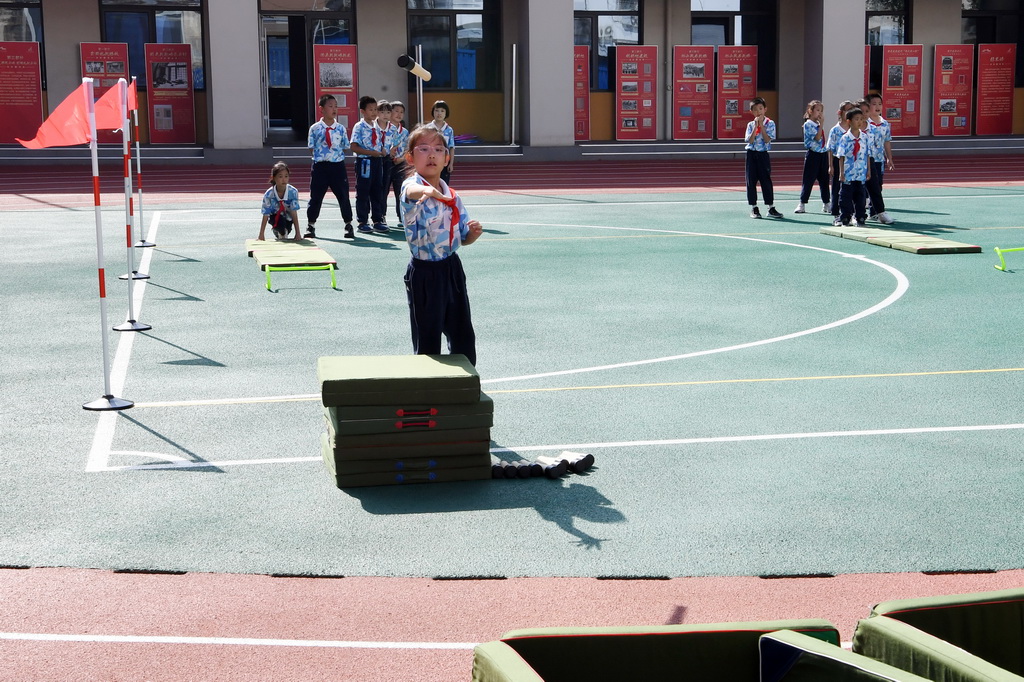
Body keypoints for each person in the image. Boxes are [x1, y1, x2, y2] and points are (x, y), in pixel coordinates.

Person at [400, 125, 483, 366]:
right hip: (424, 273)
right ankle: (429, 393)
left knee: (463, 334)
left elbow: (463, 237)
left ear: (447, 158)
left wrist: (472, 235)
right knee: (427, 340)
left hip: (451, 269)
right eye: (423, 149)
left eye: (438, 149)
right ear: (410, 157)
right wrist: (427, 189)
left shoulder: (452, 196)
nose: (432, 154)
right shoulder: (412, 187)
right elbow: (411, 191)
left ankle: (465, 385)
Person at [305, 94, 353, 239]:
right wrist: (322, 155)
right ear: (322, 109)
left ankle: (348, 225)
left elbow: (345, 146)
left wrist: (334, 154)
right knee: (316, 197)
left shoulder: (340, 129)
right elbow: (311, 147)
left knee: (343, 196)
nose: (334, 109)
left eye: (336, 106)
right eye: (330, 106)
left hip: (337, 166)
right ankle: (311, 225)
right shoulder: (315, 128)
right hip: (320, 167)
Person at [349, 95, 388, 234]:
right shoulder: (359, 126)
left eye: (375, 109)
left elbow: (378, 143)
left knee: (377, 190)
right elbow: (353, 146)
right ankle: (362, 221)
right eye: (370, 109)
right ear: (362, 111)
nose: (374, 112)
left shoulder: (376, 126)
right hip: (365, 161)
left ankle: (377, 220)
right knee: (364, 191)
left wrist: (382, 150)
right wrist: (371, 153)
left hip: (377, 161)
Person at [744, 97, 782, 219]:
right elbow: (749, 140)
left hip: (763, 154)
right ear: (752, 112)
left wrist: (762, 126)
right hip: (751, 154)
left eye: (760, 108)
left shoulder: (770, 123)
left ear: (765, 109)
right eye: (755, 110)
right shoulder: (750, 125)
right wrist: (756, 126)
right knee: (751, 181)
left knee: (766, 181)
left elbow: (767, 139)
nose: (758, 112)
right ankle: (754, 207)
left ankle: (770, 207)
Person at [834, 107, 872, 227]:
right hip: (848, 174)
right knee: (845, 196)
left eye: (861, 119)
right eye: (856, 119)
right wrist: (841, 172)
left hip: (860, 173)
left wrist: (868, 170)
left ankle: (860, 217)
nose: (860, 121)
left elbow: (867, 155)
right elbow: (841, 156)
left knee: (860, 197)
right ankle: (845, 217)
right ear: (849, 121)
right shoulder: (845, 138)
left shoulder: (865, 137)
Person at [864, 93, 895, 224]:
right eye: (874, 104)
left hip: (879, 160)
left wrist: (889, 158)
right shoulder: (864, 123)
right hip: (866, 160)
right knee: (864, 187)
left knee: (878, 186)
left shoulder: (885, 124)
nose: (877, 107)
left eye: (880, 104)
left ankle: (874, 212)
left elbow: (887, 141)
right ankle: (858, 211)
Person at [795, 99, 831, 215]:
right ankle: (802, 203)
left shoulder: (817, 124)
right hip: (813, 155)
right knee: (808, 180)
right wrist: (822, 126)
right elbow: (817, 138)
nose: (820, 113)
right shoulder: (809, 124)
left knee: (824, 180)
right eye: (817, 110)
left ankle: (826, 203)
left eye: (821, 110)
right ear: (811, 111)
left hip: (822, 154)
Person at [826, 100, 855, 227]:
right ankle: (837, 215)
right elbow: (830, 148)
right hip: (839, 162)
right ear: (841, 112)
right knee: (838, 188)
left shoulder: (855, 129)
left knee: (853, 188)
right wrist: (830, 165)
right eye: (847, 110)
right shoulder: (835, 130)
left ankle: (852, 214)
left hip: (853, 163)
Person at [257, 162, 301, 241]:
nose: (284, 179)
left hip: (288, 218)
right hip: (275, 217)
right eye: (280, 176)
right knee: (280, 225)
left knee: (285, 228)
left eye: (286, 176)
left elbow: (294, 212)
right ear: (274, 178)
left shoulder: (293, 192)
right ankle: (278, 230)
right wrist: (261, 235)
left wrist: (298, 233)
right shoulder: (269, 194)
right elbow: (266, 214)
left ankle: (285, 231)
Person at [385, 100, 410, 225]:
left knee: (400, 192)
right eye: (396, 111)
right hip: (385, 162)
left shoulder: (405, 132)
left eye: (402, 112)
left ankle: (402, 217)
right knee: (382, 191)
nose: (399, 114)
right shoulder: (384, 128)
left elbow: (408, 149)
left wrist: (401, 159)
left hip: (400, 164)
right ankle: (381, 217)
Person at [424, 100, 455, 185]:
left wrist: (451, 163)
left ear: (446, 113)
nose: (439, 113)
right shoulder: (427, 128)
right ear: (433, 112)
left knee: (443, 185)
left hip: (444, 162)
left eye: (442, 111)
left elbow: (451, 147)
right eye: (436, 110)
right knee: (430, 185)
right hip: (430, 161)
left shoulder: (449, 130)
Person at [377, 100, 394, 226]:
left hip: (387, 160)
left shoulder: (392, 129)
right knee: (373, 189)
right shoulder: (372, 127)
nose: (385, 115)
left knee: (384, 189)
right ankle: (371, 216)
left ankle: (382, 215)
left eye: (388, 112)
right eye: (382, 112)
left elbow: (397, 143)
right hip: (375, 159)